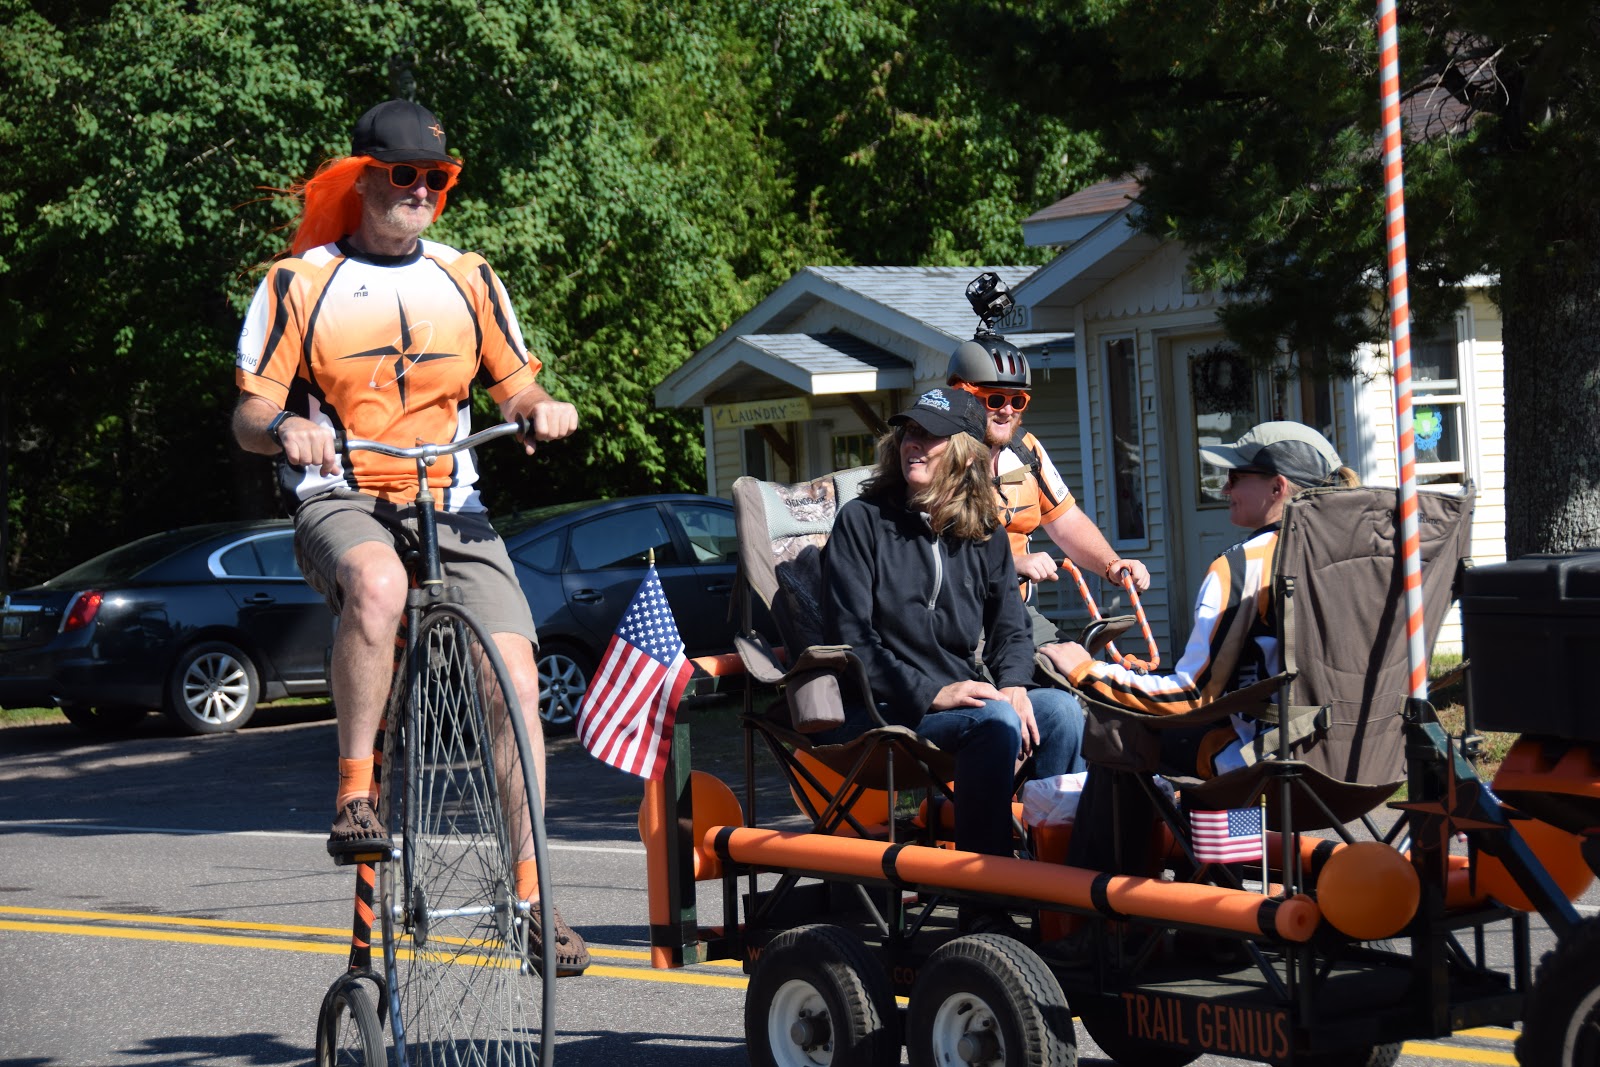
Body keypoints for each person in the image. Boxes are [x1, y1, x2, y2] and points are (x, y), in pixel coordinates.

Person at [232, 99, 588, 976]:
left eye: (437, 177)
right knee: (381, 585)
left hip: (450, 500)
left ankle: (532, 901)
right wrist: (285, 430)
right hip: (342, 493)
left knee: (512, 677)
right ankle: (357, 795)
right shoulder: (299, 281)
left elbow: (512, 384)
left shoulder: (469, 278)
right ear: (362, 180)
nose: (421, 191)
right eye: (403, 175)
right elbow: (247, 411)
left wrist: (539, 408)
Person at [1046, 422, 1357, 872]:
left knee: (1120, 731)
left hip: (1276, 763)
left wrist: (1087, 673)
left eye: (1236, 475)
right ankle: (1214, 884)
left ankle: (1112, 918)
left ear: (1278, 486)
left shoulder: (1245, 566)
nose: (1224, 485)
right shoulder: (1369, 558)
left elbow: (1190, 697)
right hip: (1361, 761)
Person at [822, 385, 1087, 877]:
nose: (913, 445)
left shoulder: (983, 530)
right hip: (883, 709)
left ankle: (1061, 888)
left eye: (930, 436)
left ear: (965, 454)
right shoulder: (861, 522)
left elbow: (1011, 626)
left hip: (969, 696)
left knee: (1063, 712)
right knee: (996, 721)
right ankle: (984, 889)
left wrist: (1013, 684)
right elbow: (852, 640)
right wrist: (934, 693)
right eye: (910, 433)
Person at [945, 333, 1152, 678]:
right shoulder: (938, 457)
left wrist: (1112, 565)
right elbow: (931, 554)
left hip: (1015, 611)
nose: (1007, 410)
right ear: (960, 396)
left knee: (1083, 678)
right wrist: (1012, 564)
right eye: (994, 399)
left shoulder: (1026, 450)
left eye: (1018, 400)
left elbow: (1066, 522)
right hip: (957, 618)